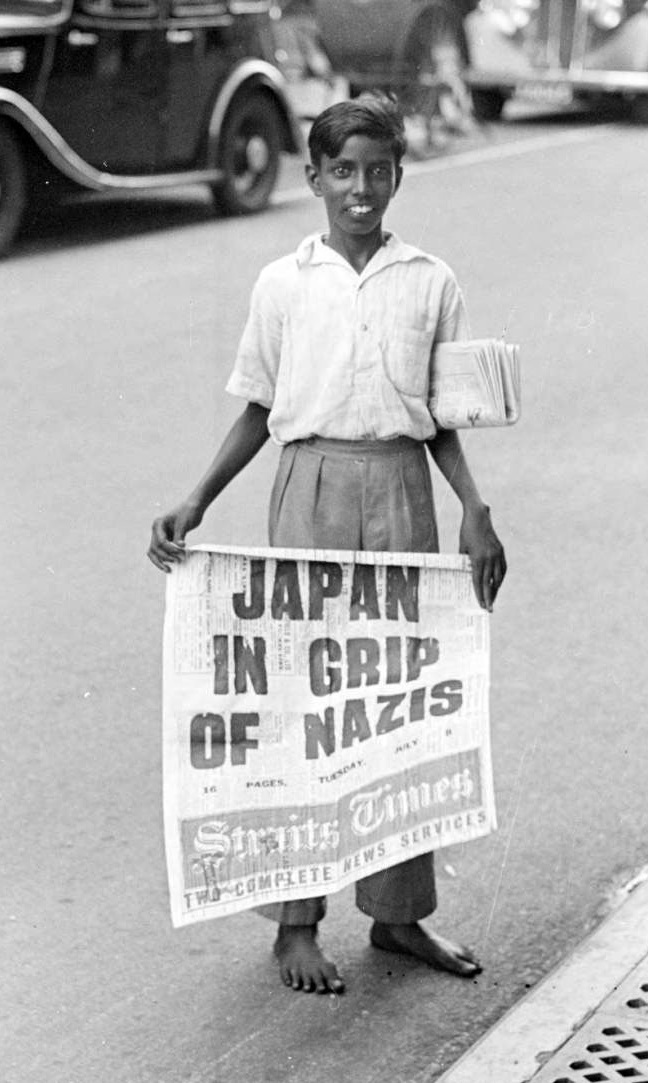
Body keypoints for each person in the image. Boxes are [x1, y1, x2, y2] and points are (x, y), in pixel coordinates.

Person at [148, 94, 507, 996]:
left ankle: (398, 916)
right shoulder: (284, 283)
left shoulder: (431, 281)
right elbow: (261, 411)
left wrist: (475, 509)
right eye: (341, 171)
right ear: (312, 177)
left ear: (398, 176)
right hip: (308, 488)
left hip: (400, 492)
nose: (360, 189)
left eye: (377, 171)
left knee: (398, 701)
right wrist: (194, 499)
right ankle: (295, 923)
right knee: (305, 702)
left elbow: (444, 418)